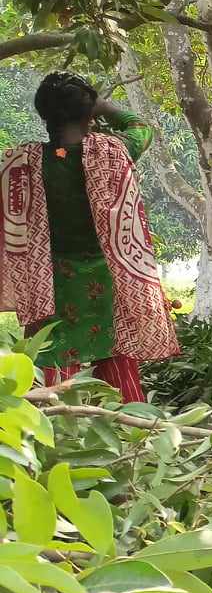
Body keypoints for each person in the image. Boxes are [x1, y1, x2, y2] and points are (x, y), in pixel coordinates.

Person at [0, 72, 179, 402]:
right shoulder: (111, 153)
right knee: (113, 353)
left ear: (44, 115)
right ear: (89, 114)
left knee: (50, 355)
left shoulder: (22, 163)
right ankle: (129, 428)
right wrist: (105, 107)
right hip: (104, 278)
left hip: (48, 282)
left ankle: (48, 431)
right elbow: (141, 127)